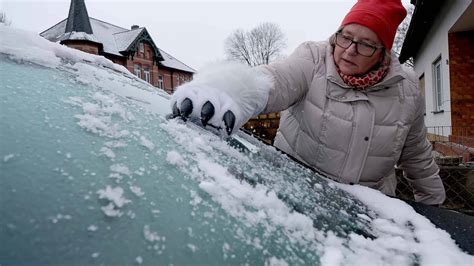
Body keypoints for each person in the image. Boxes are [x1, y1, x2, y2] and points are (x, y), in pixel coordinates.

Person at [170, 0, 446, 205]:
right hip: (298, 198)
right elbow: (272, 80)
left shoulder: (406, 88)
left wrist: (434, 213)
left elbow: (417, 155)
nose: (349, 50)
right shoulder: (313, 60)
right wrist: (227, 92)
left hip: (371, 214)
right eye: (345, 37)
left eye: (365, 44)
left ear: (383, 52)